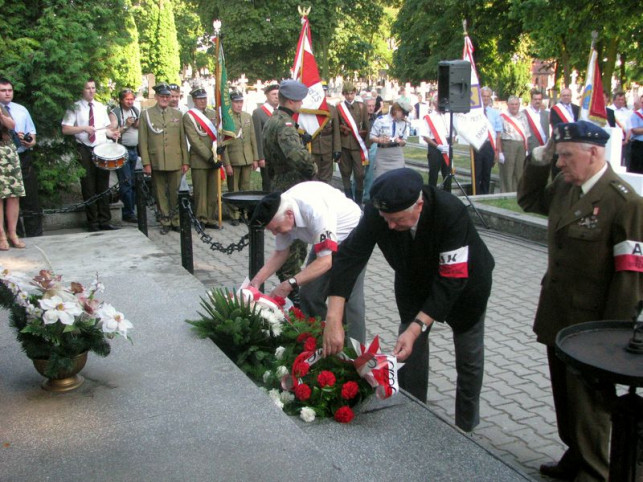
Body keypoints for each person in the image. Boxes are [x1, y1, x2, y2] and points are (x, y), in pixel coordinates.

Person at [323, 168, 495, 432]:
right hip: (413, 283)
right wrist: (333, 317)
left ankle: (466, 428)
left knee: (468, 359)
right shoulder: (378, 212)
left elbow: (451, 280)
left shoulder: (450, 211)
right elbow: (350, 258)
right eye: (386, 219)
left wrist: (418, 326)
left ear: (419, 205)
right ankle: (413, 417)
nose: (390, 226)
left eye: (396, 220)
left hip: (465, 287)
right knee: (408, 354)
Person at [518, 121, 643, 481]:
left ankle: (593, 471)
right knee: (564, 395)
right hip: (558, 313)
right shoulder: (564, 187)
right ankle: (574, 453)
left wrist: (611, 337)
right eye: (558, 156)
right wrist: (539, 160)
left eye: (565, 156)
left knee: (590, 405)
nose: (560, 164)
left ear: (594, 153)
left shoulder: (624, 202)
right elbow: (528, 200)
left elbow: (630, 277)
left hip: (592, 325)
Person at [249, 182, 365, 343]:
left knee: (348, 301)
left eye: (276, 228)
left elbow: (325, 262)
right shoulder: (282, 211)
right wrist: (256, 281)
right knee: (309, 295)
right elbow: (280, 253)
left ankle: (357, 354)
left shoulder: (315, 211)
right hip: (326, 239)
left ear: (290, 215)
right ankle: (319, 343)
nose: (275, 233)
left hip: (352, 235)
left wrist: (288, 284)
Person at [262, 79, 317, 294]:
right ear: (293, 101)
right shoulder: (285, 124)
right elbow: (296, 156)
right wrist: (312, 169)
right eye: (300, 99)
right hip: (291, 186)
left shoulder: (273, 118)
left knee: (288, 239)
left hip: (279, 183)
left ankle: (289, 283)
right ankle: (292, 292)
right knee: (294, 242)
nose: (302, 102)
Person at [61, 79, 120, 232]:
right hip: (84, 148)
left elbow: (104, 129)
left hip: (101, 147)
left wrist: (112, 133)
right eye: (88, 88)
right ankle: (92, 222)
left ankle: (105, 220)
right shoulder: (74, 107)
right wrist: (83, 128)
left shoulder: (101, 107)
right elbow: (66, 129)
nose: (91, 91)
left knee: (103, 184)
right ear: (82, 89)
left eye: (93, 88)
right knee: (88, 185)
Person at [138, 82, 189, 234]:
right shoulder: (146, 114)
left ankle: (175, 220)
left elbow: (182, 140)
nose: (165, 99)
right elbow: (143, 141)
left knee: (175, 192)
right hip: (157, 160)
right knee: (160, 192)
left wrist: (185, 161)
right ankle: (164, 220)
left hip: (175, 159)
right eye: (162, 96)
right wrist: (146, 163)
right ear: (156, 97)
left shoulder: (177, 115)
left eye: (167, 96)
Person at [0, 78, 42, 237]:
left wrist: (29, 141)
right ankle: (13, 233)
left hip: (22, 155)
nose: (7, 93)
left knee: (30, 197)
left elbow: (32, 133)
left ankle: (35, 233)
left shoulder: (21, 110)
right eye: (3, 91)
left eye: (9, 90)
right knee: (8, 196)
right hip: (3, 157)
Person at [183, 87, 221, 229]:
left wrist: (219, 151)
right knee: (200, 191)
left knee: (213, 191)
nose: (202, 101)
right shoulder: (189, 117)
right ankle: (201, 218)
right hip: (200, 159)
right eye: (199, 99)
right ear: (194, 100)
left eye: (204, 98)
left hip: (214, 157)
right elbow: (194, 140)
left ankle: (211, 218)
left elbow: (219, 134)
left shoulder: (213, 114)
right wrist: (209, 156)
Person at [223, 91, 259, 226]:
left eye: (240, 102)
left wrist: (255, 158)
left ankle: (245, 212)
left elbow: (253, 139)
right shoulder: (226, 119)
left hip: (247, 158)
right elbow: (224, 144)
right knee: (233, 189)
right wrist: (227, 164)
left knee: (245, 187)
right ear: (230, 103)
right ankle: (234, 214)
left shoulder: (247, 116)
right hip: (233, 159)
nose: (239, 105)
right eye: (236, 102)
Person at [109, 88, 139, 223]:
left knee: (133, 182)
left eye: (132, 99)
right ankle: (128, 212)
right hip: (122, 149)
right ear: (121, 100)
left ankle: (132, 208)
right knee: (126, 181)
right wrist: (126, 126)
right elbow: (112, 131)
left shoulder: (135, 110)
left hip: (135, 150)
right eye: (127, 99)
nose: (130, 102)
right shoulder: (115, 112)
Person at [337, 82, 369, 204]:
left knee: (360, 174)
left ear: (355, 93)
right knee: (345, 173)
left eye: (352, 93)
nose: (350, 96)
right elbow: (336, 128)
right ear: (343, 94)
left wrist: (366, 145)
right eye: (347, 93)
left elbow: (367, 125)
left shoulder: (361, 106)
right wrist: (338, 148)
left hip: (358, 145)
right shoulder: (339, 108)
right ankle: (349, 201)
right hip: (345, 144)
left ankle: (359, 201)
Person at [0, 102, 26, 250]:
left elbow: (11, 125)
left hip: (8, 151)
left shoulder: (2, 108)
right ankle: (1, 235)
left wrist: (1, 115)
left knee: (13, 195)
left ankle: (12, 233)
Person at [370, 102, 410, 179]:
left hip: (397, 154)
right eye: (403, 113)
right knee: (381, 179)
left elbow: (404, 141)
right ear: (396, 111)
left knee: (398, 178)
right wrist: (380, 140)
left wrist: (400, 141)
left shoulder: (403, 123)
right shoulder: (381, 120)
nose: (404, 116)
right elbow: (372, 136)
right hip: (383, 154)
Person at [310, 83, 341, 184]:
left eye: (324, 91)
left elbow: (336, 131)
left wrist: (337, 149)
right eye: (320, 91)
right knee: (313, 176)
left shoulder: (332, 109)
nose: (323, 93)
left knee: (327, 177)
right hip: (312, 147)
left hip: (327, 147)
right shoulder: (309, 108)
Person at [499, 95, 530, 192]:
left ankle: (518, 192)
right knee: (508, 171)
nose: (514, 106)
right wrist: (500, 152)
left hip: (521, 145)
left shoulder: (523, 116)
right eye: (512, 104)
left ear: (519, 105)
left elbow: (527, 134)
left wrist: (527, 149)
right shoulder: (502, 116)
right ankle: (506, 192)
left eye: (516, 104)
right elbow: (498, 136)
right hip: (508, 145)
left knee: (519, 170)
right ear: (508, 105)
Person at [474, 87, 502, 194]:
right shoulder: (474, 113)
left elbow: (498, 133)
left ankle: (484, 194)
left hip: (489, 145)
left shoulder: (495, 113)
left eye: (487, 96)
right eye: (483, 96)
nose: (485, 98)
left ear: (490, 98)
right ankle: (475, 193)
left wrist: (497, 150)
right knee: (477, 172)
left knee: (487, 173)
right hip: (477, 145)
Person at [252, 83, 279, 191]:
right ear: (267, 95)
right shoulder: (258, 113)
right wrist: (260, 157)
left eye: (278, 94)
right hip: (267, 155)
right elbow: (257, 136)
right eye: (273, 94)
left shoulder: (280, 111)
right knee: (268, 184)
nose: (276, 96)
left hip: (279, 155)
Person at [419, 96, 451, 188]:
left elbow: (453, 134)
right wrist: (437, 146)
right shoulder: (428, 117)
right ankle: (432, 195)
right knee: (433, 174)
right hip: (435, 146)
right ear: (433, 103)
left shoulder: (448, 115)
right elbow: (425, 136)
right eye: (438, 101)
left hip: (447, 144)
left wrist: (450, 144)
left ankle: (448, 195)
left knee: (447, 173)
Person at [524, 89, 549, 156]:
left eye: (539, 99)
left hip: (544, 148)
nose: (537, 101)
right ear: (531, 100)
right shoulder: (524, 114)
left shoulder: (547, 114)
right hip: (531, 148)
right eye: (535, 99)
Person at [629, 95, 643, 174]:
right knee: (637, 169)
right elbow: (634, 130)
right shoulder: (636, 114)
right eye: (642, 102)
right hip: (639, 145)